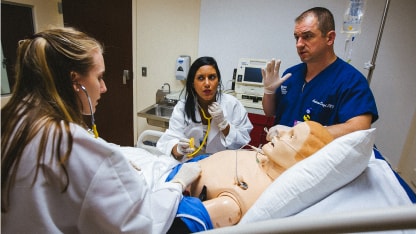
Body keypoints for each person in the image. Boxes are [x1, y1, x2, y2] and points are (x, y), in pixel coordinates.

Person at [1, 27, 201, 233]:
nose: (104, 87)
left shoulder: (14, 122)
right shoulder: (73, 146)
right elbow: (139, 227)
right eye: (99, 77)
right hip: (163, 186)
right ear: (75, 81)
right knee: (200, 211)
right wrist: (177, 184)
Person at [162, 120, 334, 230]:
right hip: (188, 166)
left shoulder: (243, 199)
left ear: (301, 160)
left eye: (291, 135)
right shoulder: (268, 157)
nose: (280, 133)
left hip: (175, 186)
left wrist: (176, 183)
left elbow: (176, 222)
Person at [262, 7, 378, 139]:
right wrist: (269, 92)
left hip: (319, 157)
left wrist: (301, 133)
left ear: (330, 38)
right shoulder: (291, 74)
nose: (299, 44)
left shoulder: (351, 81)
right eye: (297, 38)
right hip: (282, 152)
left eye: (307, 36)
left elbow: (359, 128)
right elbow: (270, 111)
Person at [157, 56, 253, 161]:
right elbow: (170, 140)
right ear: (193, 83)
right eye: (201, 78)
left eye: (212, 77)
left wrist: (224, 125)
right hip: (190, 163)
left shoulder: (233, 105)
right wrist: (179, 149)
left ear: (218, 80)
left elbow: (242, 143)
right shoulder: (182, 107)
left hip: (222, 164)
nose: (207, 84)